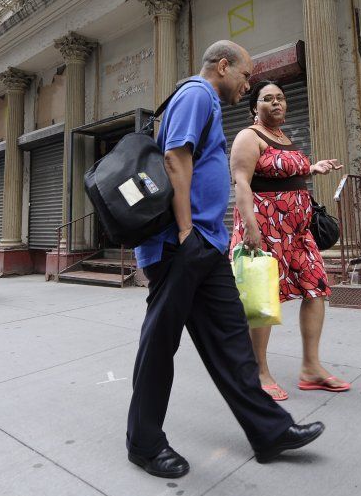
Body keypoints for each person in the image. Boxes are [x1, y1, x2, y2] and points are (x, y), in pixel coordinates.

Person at [127, 40, 324, 479]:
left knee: (233, 338)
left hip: (206, 245)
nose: (247, 84)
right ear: (223, 66)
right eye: (246, 76)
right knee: (160, 343)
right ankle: (143, 442)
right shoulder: (197, 93)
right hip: (183, 244)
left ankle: (269, 432)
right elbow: (177, 158)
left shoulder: (206, 101)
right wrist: (184, 231)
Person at [230, 81, 348, 401]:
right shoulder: (248, 137)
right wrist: (250, 228)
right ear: (255, 107)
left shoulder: (285, 138)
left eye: (281, 98)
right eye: (268, 99)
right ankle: (259, 371)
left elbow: (287, 172)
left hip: (297, 231)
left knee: (316, 287)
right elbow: (241, 182)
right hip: (265, 228)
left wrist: (313, 167)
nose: (277, 103)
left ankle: (311, 368)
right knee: (262, 299)